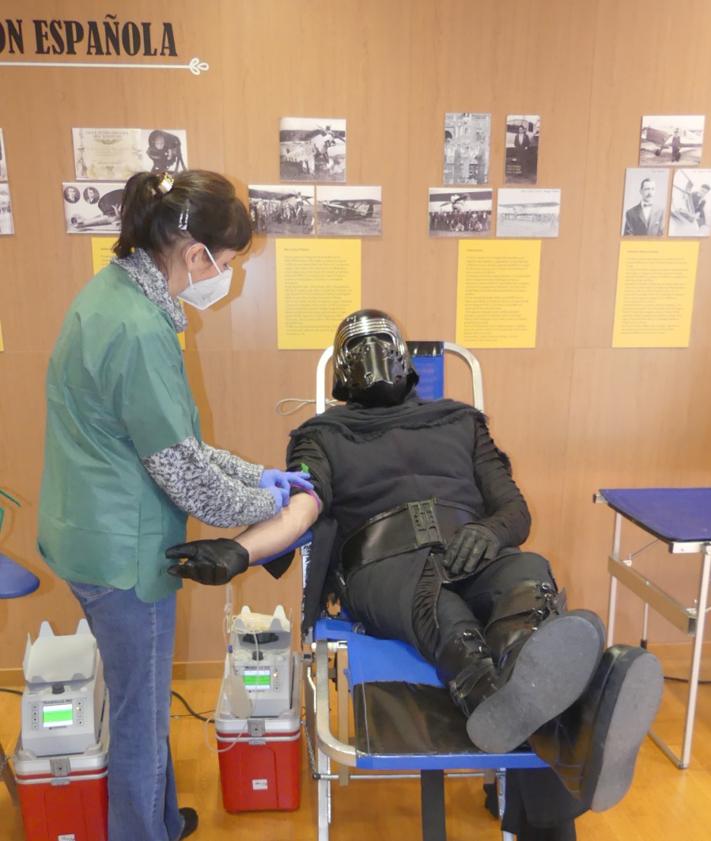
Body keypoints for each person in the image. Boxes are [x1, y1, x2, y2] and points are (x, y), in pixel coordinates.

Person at [167, 309, 663, 841]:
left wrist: (492, 534)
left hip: (472, 548)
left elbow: (514, 511)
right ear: (342, 374)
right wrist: (240, 552)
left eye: (382, 343)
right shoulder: (320, 434)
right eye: (359, 348)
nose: (372, 356)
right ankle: (524, 711)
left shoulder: (460, 420)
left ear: (406, 362)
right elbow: (300, 511)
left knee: (527, 575)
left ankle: (529, 691)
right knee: (440, 606)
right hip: (382, 565)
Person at [38, 169, 312, 841]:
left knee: (143, 702)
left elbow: (173, 439)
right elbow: (187, 478)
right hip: (121, 556)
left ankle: (158, 818)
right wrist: (267, 504)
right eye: (225, 264)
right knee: (139, 714)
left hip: (86, 531)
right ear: (195, 255)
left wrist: (259, 474)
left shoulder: (112, 295)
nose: (224, 276)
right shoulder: (137, 328)